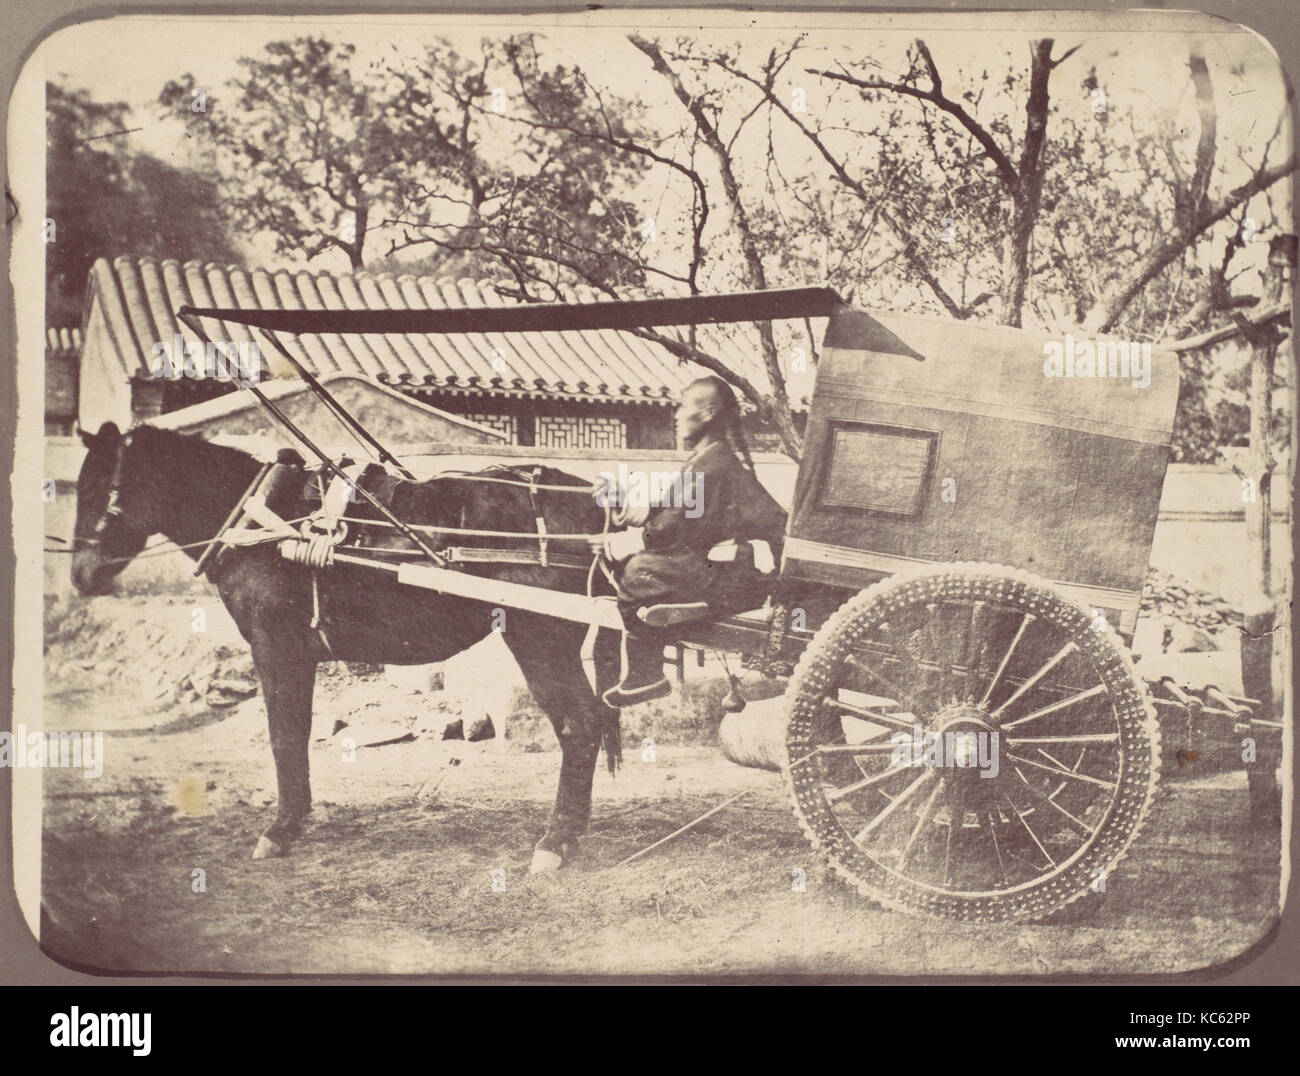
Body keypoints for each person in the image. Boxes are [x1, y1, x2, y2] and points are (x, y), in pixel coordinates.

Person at [596, 376, 788, 707]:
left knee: (639, 570)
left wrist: (629, 541)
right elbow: (675, 510)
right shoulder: (709, 459)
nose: (677, 414)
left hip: (720, 574)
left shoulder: (712, 463)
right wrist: (628, 507)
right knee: (640, 566)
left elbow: (672, 528)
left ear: (710, 412)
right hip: (719, 568)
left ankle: (649, 672)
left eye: (685, 405)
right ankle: (655, 653)